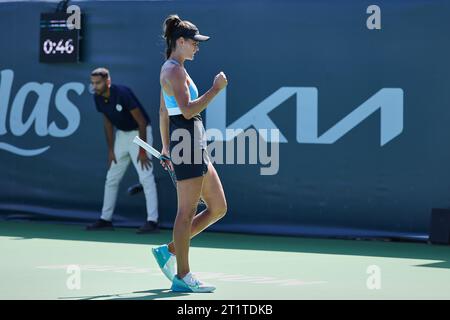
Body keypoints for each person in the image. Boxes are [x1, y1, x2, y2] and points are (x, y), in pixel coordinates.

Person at [151, 15, 228, 293]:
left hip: (187, 139)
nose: (197, 47)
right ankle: (182, 275)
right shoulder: (173, 71)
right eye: (193, 42)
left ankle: (169, 250)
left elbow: (163, 110)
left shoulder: (174, 68)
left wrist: (165, 146)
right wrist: (216, 90)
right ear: (179, 41)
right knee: (186, 212)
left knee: (218, 207)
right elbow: (186, 111)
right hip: (187, 137)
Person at [86, 68, 160, 234]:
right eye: (93, 83)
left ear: (108, 82)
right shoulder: (97, 97)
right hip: (121, 136)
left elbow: (141, 121)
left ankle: (152, 221)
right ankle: (105, 219)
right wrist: (111, 150)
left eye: (98, 83)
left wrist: (142, 150)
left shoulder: (123, 93)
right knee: (111, 178)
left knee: (146, 177)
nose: (95, 86)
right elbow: (107, 123)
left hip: (140, 134)